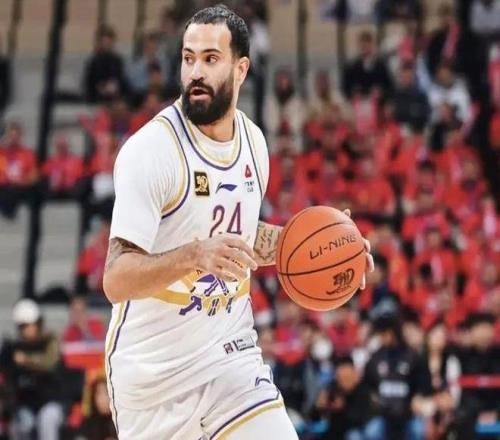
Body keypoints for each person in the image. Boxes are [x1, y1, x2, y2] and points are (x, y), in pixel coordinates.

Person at [102, 5, 374, 440]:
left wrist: (328, 247)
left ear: (241, 68)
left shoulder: (253, 143)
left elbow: (242, 235)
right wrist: (194, 255)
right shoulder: (151, 151)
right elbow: (116, 279)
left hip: (230, 358)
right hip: (154, 378)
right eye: (188, 58)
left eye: (210, 58)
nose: (196, 71)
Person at [0, 299, 63, 440]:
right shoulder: (14, 348)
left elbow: (49, 363)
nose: (27, 330)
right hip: (25, 404)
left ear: (38, 324)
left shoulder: (49, 343)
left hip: (50, 401)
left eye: (29, 325)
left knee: (47, 419)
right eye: (22, 326)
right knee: (23, 423)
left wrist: (27, 360)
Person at [316, 356, 380, 440]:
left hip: (358, 430)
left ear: (354, 374)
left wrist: (341, 408)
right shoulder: (333, 388)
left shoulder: (363, 389)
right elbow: (318, 413)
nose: (343, 380)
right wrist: (322, 406)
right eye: (340, 377)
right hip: (336, 431)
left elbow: (362, 418)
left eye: (347, 377)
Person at [83, 25, 128, 104]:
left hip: (114, 98)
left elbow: (121, 80)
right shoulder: (94, 61)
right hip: (96, 97)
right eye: (103, 41)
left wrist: (114, 87)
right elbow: (89, 83)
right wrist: (100, 88)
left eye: (108, 41)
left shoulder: (117, 60)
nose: (106, 44)